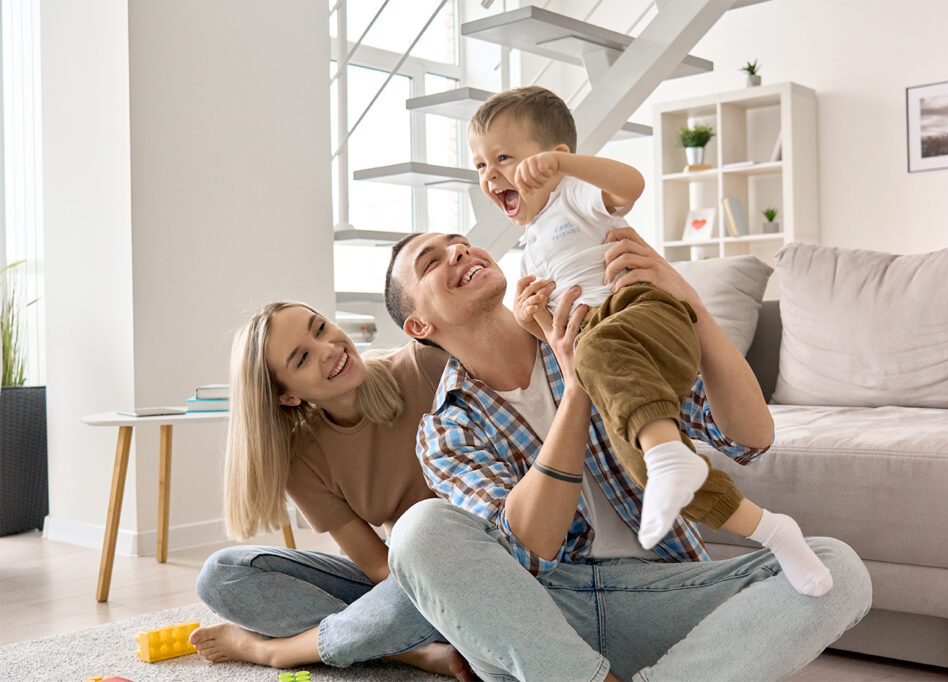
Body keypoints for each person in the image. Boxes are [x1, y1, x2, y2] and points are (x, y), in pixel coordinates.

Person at [382, 228, 872, 680]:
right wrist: (575, 387)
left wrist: (691, 304)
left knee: (839, 569)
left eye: (460, 241)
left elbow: (749, 437)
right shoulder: (445, 430)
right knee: (418, 531)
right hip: (546, 620)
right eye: (431, 262)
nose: (458, 252)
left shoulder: (599, 331)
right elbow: (532, 546)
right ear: (418, 326)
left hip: (665, 596)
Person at [465, 85, 830, 595]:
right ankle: (773, 531)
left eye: (503, 157)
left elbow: (630, 184)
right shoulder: (527, 253)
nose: (491, 175)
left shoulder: (574, 195)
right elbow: (568, 347)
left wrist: (565, 167)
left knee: (598, 351)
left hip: (642, 312)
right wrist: (541, 326)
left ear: (555, 158)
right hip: (599, 346)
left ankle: (668, 461)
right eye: (480, 165)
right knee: (644, 465)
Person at [187, 301, 470, 679]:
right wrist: (403, 604)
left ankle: (273, 652)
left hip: (482, 562)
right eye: (302, 358)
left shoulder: (425, 364)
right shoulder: (302, 459)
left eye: (320, 328)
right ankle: (412, 652)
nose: (329, 349)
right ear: (287, 396)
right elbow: (379, 567)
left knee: (436, 589)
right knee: (220, 576)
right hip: (410, 579)